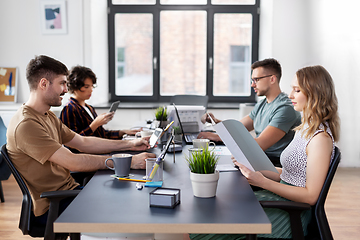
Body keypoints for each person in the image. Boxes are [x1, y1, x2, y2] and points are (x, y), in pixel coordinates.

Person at [190, 65, 340, 239]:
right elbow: (295, 175)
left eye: (297, 90)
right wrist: (258, 171)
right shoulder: (304, 129)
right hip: (279, 199)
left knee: (199, 228)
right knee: (210, 212)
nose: (290, 95)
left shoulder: (320, 139)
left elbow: (311, 196)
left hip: (287, 214)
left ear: (315, 94)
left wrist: (263, 182)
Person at [6, 55, 156, 226]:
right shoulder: (27, 125)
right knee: (133, 203)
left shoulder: (46, 116)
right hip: (54, 205)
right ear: (43, 83)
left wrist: (129, 144)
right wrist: (127, 162)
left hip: (70, 192)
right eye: (62, 83)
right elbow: (73, 162)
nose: (65, 89)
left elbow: (83, 142)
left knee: (132, 194)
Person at [199, 58, 301, 167]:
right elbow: (237, 128)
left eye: (256, 79)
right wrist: (215, 121)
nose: (252, 84)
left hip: (274, 165)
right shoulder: (262, 104)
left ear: (272, 79)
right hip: (260, 159)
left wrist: (217, 136)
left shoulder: (285, 108)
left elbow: (259, 145)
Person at [60, 65, 139, 150]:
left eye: (91, 86)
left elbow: (102, 135)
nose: (91, 90)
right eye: (86, 87)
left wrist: (122, 132)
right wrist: (95, 124)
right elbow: (72, 144)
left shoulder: (89, 108)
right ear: (75, 87)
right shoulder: (69, 109)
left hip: (99, 150)